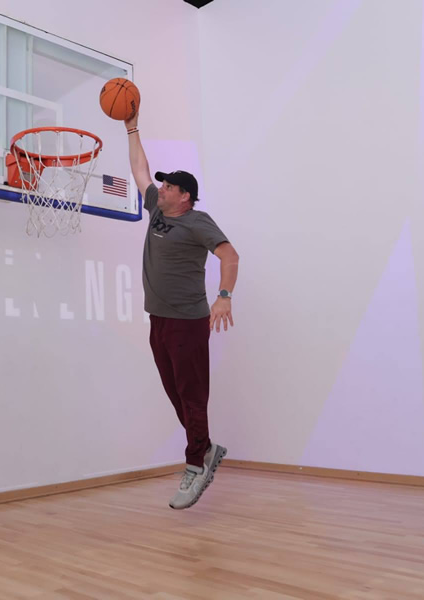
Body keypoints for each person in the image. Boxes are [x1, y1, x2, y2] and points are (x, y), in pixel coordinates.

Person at [125, 109, 239, 510]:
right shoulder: (157, 209)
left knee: (192, 396)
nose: (161, 189)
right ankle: (206, 448)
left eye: (169, 186)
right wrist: (131, 128)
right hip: (158, 320)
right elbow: (140, 170)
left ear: (185, 196)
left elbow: (230, 255)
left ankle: (196, 465)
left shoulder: (198, 222)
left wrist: (223, 295)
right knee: (175, 394)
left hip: (187, 323)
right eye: (163, 185)